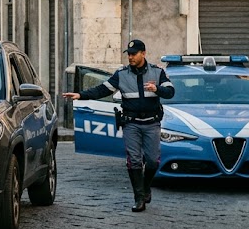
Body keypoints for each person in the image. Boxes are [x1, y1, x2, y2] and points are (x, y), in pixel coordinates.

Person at [63, 39, 174, 212]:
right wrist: (81, 95)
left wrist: (157, 89)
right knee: (134, 160)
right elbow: (102, 90)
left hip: (152, 123)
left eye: (133, 54)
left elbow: (170, 92)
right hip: (131, 124)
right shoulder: (121, 74)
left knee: (152, 161)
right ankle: (139, 198)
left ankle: (145, 188)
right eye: (128, 54)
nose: (130, 57)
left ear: (143, 53)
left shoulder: (157, 72)